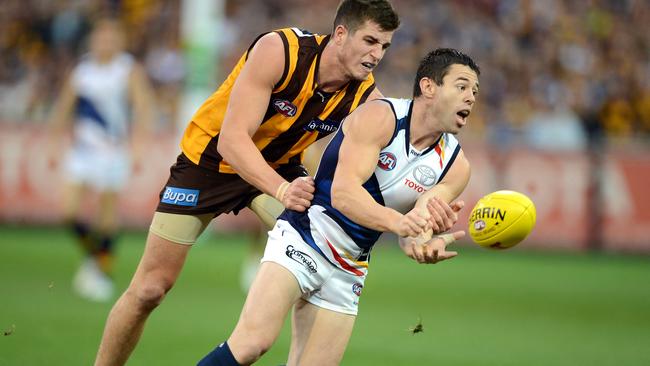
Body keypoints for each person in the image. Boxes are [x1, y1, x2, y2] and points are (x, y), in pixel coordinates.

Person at [93, 1, 422, 365]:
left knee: (322, 262)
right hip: (209, 164)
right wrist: (281, 190)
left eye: (385, 47)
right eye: (371, 41)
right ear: (341, 34)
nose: (377, 55)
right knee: (150, 289)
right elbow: (232, 141)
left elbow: (393, 167)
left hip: (280, 167)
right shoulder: (280, 51)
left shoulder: (365, 96)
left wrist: (412, 224)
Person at [197, 48, 480, 366]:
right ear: (429, 87)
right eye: (462, 86)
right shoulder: (380, 117)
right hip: (306, 234)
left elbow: (419, 219)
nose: (470, 96)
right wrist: (399, 224)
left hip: (350, 266)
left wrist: (422, 242)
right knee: (252, 344)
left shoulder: (456, 166)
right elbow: (343, 194)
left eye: (474, 91)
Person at [48, 18, 154, 302]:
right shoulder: (82, 70)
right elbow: (64, 107)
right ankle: (96, 258)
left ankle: (101, 274)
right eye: (101, 37)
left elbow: (143, 106)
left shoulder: (126, 69)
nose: (105, 43)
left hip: (112, 150)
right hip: (82, 150)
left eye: (111, 38)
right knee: (68, 212)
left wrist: (138, 147)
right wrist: (53, 143)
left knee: (107, 215)